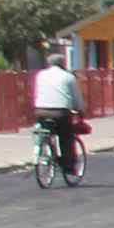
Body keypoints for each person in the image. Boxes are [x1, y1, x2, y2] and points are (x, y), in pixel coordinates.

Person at [28, 50, 85, 178]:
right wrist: (80, 110)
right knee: (66, 138)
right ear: (62, 63)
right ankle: (68, 167)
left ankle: (44, 151)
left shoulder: (40, 75)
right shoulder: (68, 76)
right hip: (60, 113)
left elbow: (38, 93)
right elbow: (76, 97)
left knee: (45, 131)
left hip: (41, 111)